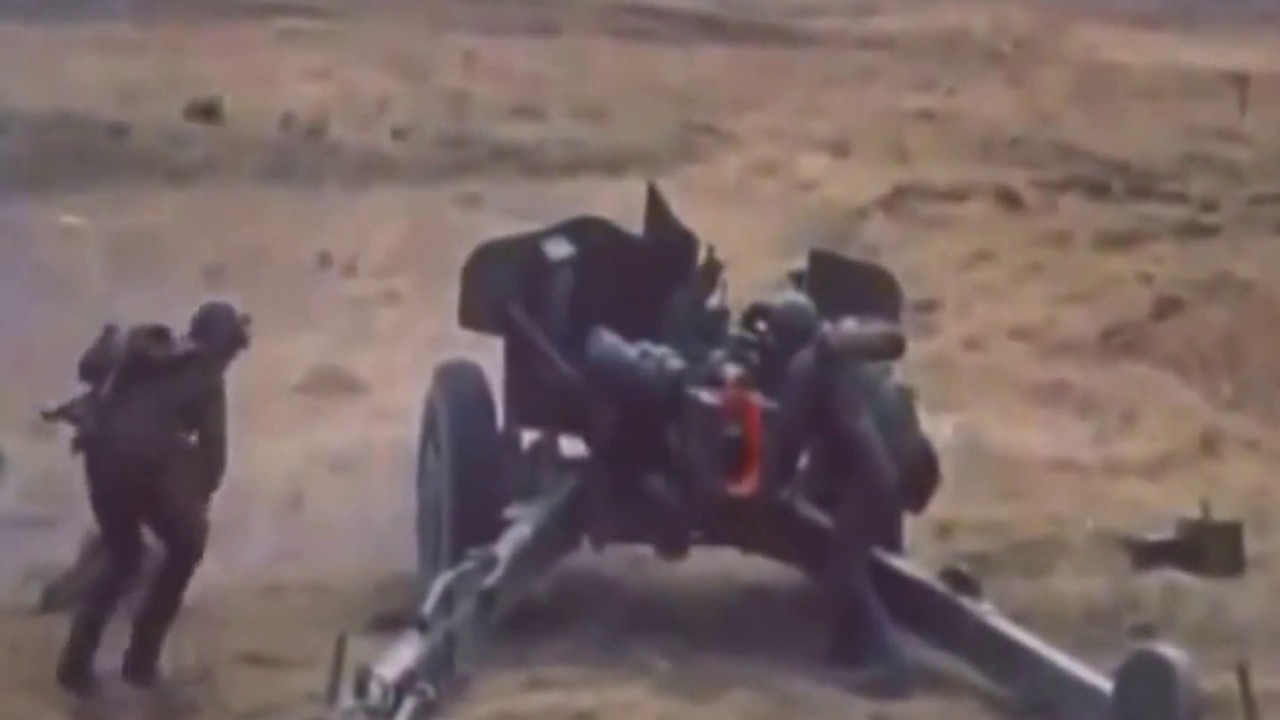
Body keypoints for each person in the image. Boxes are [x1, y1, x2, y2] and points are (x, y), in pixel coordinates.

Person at [52, 300, 250, 694]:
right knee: (186, 547)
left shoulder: (150, 357)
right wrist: (191, 506)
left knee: (124, 556)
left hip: (100, 456)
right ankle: (141, 663)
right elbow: (214, 458)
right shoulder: (206, 374)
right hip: (145, 467)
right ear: (224, 345)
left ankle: (75, 666)